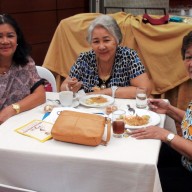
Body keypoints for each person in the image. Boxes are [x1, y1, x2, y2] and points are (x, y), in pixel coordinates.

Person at [130, 31, 192, 192]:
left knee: (139, 179)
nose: (191, 63)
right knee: (140, 152)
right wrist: (169, 110)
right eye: (189, 57)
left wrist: (165, 134)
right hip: (185, 158)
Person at [60, 14, 152, 98]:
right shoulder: (84, 58)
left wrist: (105, 92)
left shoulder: (128, 56)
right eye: (96, 41)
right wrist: (70, 88)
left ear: (116, 40)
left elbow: (144, 90)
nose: (101, 46)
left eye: (106, 40)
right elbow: (63, 87)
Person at [0, 14, 46, 124]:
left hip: (17, 123)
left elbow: (40, 95)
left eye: (10, 36)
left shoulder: (25, 62)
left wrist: (10, 110)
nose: (5, 41)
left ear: (17, 39)